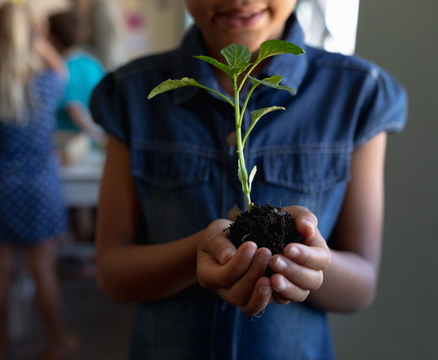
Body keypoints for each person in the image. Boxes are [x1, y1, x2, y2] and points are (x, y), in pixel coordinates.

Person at [90, 1, 407, 359]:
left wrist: (300, 258)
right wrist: (199, 252)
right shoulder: (129, 93)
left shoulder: (358, 93)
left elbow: (361, 286)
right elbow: (112, 272)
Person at [0, 2, 73, 359]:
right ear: (33, 38)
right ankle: (56, 344)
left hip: (2, 187)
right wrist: (38, 37)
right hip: (41, 184)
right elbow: (62, 68)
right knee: (43, 270)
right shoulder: (47, 83)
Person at [48, 9, 106, 146]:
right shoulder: (93, 64)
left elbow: (74, 109)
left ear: (55, 39)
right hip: (92, 142)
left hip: (69, 144)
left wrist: (95, 135)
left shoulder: (60, 70)